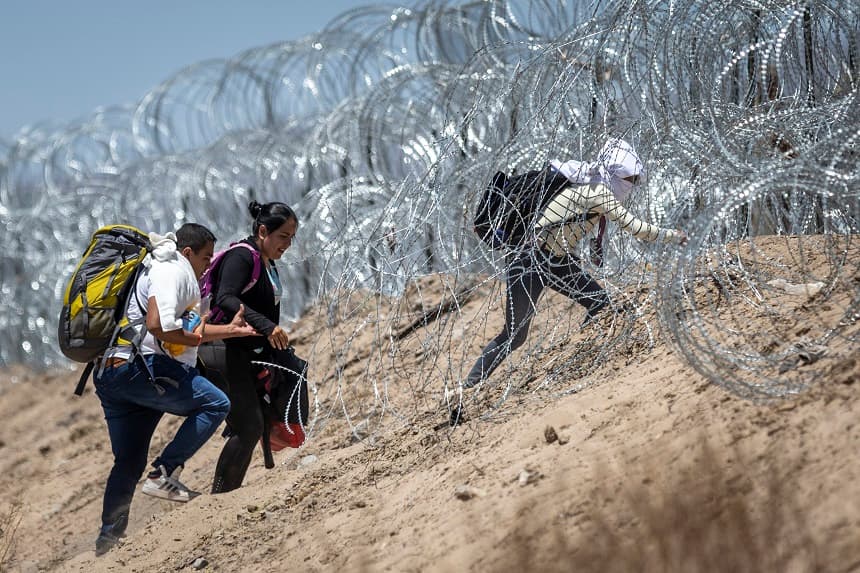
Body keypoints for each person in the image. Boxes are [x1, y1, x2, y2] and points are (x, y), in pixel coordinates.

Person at [464, 139, 687, 388]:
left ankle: (583, 356)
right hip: (529, 260)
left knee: (599, 303)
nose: (631, 187)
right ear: (614, 173)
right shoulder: (599, 192)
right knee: (514, 335)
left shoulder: (592, 186)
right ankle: (469, 387)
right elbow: (636, 228)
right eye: (630, 180)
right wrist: (674, 236)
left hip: (555, 261)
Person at [93, 223, 258, 556]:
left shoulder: (159, 271)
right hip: (141, 369)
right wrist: (195, 335)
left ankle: (107, 543)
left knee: (127, 461)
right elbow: (159, 325)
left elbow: (188, 331)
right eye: (207, 258)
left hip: (112, 373)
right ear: (188, 253)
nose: (210, 265)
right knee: (215, 403)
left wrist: (229, 329)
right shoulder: (174, 270)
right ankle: (163, 473)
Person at [198, 200, 299, 494]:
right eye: (283, 237)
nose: (288, 244)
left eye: (292, 238)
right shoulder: (242, 257)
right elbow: (224, 298)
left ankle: (224, 496)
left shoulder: (267, 263)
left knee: (255, 425)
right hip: (223, 352)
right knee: (249, 426)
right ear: (263, 230)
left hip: (246, 355)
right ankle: (218, 498)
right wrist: (267, 327)